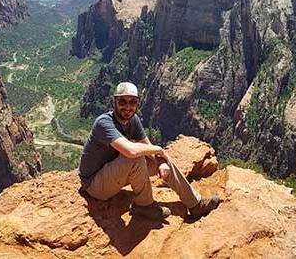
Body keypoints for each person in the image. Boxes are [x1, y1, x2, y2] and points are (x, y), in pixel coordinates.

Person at [79, 82, 220, 220]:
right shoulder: (104, 123)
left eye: (132, 102)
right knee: (136, 157)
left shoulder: (133, 120)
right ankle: (144, 206)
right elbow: (131, 152)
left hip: (112, 173)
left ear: (137, 104)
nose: (127, 107)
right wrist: (159, 149)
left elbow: (146, 146)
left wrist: (161, 161)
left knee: (163, 159)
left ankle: (195, 204)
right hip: (94, 185)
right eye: (122, 101)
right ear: (113, 102)